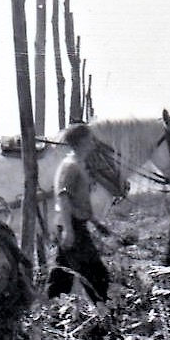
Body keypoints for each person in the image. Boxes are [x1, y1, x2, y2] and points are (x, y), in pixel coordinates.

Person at [46, 123, 110, 302]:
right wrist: (68, 230)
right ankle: (102, 310)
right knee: (96, 274)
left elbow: (79, 202)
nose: (93, 142)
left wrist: (96, 223)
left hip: (74, 223)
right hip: (71, 224)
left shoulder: (78, 164)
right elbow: (63, 197)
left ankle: (50, 309)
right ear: (82, 141)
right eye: (90, 139)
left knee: (62, 276)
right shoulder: (71, 166)